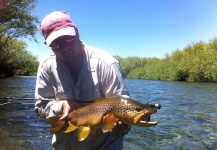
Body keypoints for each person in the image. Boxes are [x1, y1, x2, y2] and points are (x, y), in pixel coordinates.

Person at [35, 11, 131, 150]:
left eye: (68, 39)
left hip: (105, 146)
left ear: (76, 32)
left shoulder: (106, 64)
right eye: (56, 44)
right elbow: (40, 106)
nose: (65, 47)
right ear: (47, 44)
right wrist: (61, 107)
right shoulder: (46, 67)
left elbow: (124, 107)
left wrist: (123, 123)